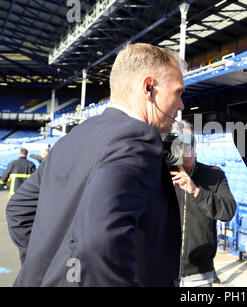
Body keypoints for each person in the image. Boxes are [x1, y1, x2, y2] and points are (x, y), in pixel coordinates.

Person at [6, 43, 185, 287]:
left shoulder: (72, 138)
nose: (182, 105)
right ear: (148, 88)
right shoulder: (137, 137)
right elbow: (98, 241)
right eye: (178, 92)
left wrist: (44, 268)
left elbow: (19, 210)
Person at [170, 121, 236, 287]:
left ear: (195, 144)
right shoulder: (160, 174)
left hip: (199, 273)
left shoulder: (214, 175)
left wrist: (196, 191)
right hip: (164, 267)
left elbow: (228, 211)